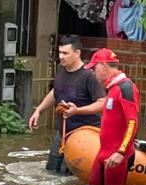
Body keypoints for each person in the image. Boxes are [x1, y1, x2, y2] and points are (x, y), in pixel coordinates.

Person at [64, 48, 140, 185]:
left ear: (104, 66)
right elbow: (108, 110)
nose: (92, 72)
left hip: (117, 156)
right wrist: (77, 111)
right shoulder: (112, 88)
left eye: (94, 67)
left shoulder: (125, 88)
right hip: (103, 153)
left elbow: (133, 122)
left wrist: (120, 153)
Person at [28, 35, 106, 175]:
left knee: (67, 174)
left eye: (65, 53)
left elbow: (102, 103)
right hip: (63, 132)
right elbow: (55, 92)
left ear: (77, 53)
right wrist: (38, 110)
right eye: (60, 53)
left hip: (84, 135)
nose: (61, 57)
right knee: (51, 170)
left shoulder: (89, 75)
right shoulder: (60, 69)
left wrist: (77, 111)